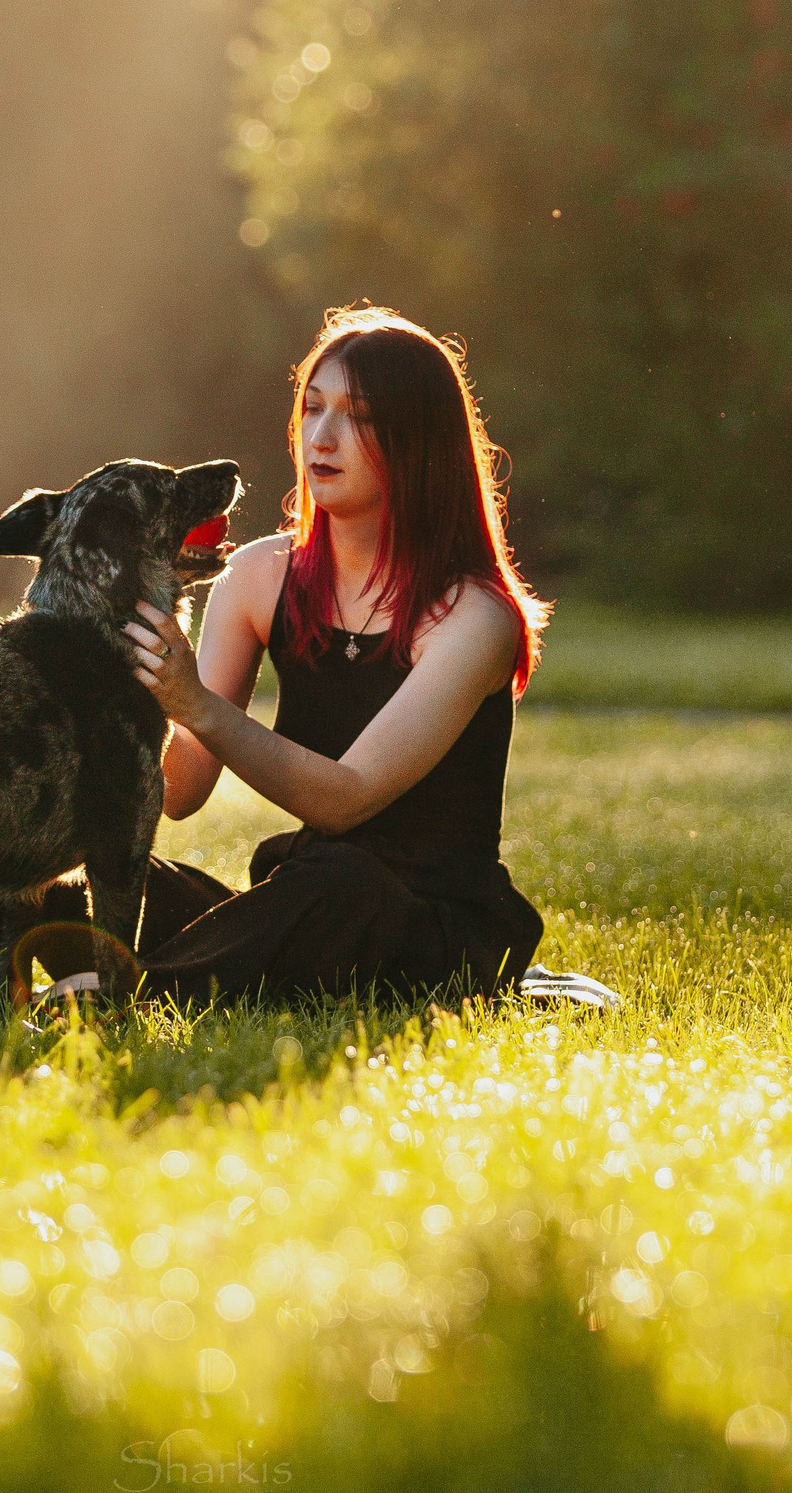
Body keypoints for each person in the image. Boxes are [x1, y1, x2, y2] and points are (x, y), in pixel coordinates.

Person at [111, 305, 550, 1002]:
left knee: (341, 884)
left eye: (361, 416)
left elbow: (346, 801)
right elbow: (181, 791)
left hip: (428, 924)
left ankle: (122, 989)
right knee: (74, 874)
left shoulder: (473, 618)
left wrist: (195, 702)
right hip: (303, 896)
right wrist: (119, 681)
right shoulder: (257, 576)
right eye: (312, 408)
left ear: (422, 441)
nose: (323, 434)